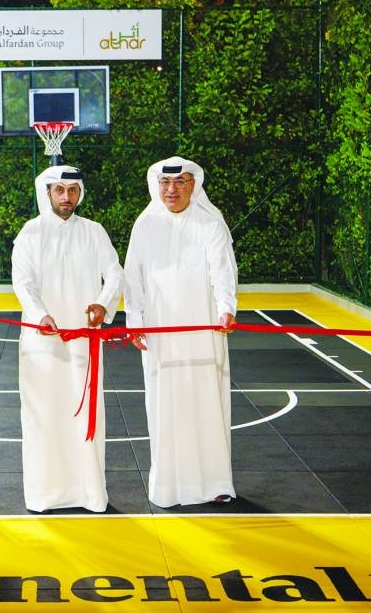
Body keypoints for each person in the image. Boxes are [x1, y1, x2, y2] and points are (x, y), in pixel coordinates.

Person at [123, 156, 238, 507]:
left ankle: (215, 483)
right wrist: (135, 321)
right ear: (157, 186)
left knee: (208, 403)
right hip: (161, 335)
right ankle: (168, 487)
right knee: (165, 406)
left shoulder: (210, 222)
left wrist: (226, 309)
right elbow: (134, 277)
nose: (172, 190)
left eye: (181, 182)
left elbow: (222, 271)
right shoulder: (145, 224)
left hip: (204, 332)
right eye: (165, 183)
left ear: (194, 185)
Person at [11, 165, 123, 513]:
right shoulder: (30, 233)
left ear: (79, 193)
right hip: (41, 343)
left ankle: (90, 494)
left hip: (83, 343)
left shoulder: (94, 231)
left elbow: (115, 274)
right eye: (59, 190)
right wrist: (39, 314)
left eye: (72, 190)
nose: (66, 197)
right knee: (43, 417)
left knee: (85, 417)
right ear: (47, 193)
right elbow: (23, 282)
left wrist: (104, 306)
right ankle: (44, 495)